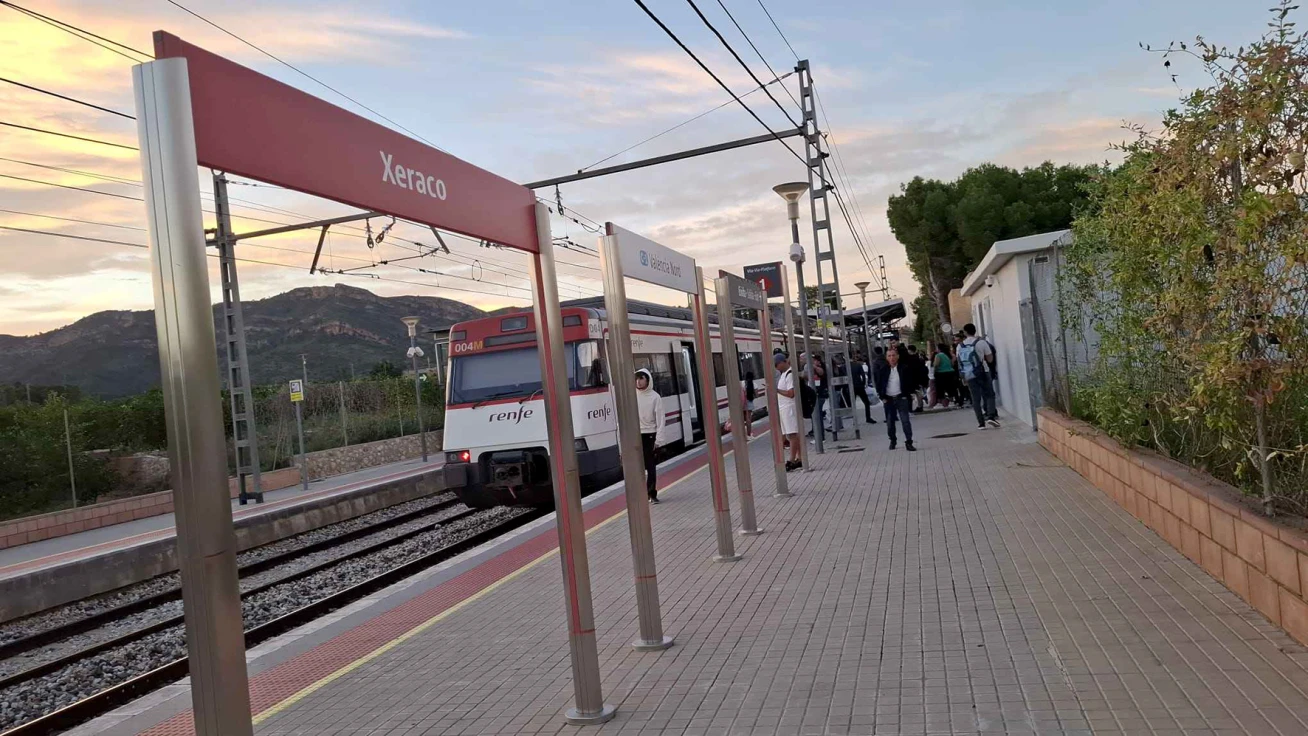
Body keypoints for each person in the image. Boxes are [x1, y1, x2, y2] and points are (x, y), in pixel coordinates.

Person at [874, 346, 922, 451]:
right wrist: (882, 397)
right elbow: (879, 384)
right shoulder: (883, 370)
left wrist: (908, 394)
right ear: (886, 358)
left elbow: (909, 381)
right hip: (888, 399)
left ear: (898, 356)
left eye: (893, 355)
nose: (892, 358)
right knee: (890, 422)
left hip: (901, 397)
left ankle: (909, 442)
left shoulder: (904, 368)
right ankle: (893, 440)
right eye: (889, 356)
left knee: (905, 421)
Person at [959, 323, 999, 429]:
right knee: (989, 394)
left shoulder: (960, 345)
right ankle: (991, 416)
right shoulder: (981, 342)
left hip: (969, 373)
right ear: (975, 331)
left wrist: (963, 377)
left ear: (965, 332)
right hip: (983, 371)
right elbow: (990, 359)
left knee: (975, 398)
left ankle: (981, 423)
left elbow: (960, 362)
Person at [635, 369, 662, 503]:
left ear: (648, 380)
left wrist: (659, 439)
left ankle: (651, 493)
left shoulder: (655, 397)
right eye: (637, 379)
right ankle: (641, 494)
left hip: (650, 435)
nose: (638, 382)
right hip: (635, 435)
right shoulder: (632, 396)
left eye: (641, 378)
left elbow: (660, 420)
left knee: (650, 466)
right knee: (637, 466)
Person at [774, 353, 802, 470]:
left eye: (776, 364)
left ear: (782, 362)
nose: (775, 367)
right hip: (784, 408)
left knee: (792, 434)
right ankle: (800, 458)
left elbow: (791, 393)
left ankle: (791, 459)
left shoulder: (790, 375)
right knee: (791, 434)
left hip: (789, 408)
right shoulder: (784, 375)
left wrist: (776, 390)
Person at [850, 351, 877, 424]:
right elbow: (863, 376)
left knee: (852, 404)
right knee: (866, 402)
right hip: (859, 386)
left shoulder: (844, 367)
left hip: (850, 387)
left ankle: (854, 421)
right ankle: (868, 418)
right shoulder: (858, 365)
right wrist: (863, 384)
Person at [931, 343, 957, 408]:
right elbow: (952, 363)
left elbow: (936, 365)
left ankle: (940, 403)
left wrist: (934, 371)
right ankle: (951, 401)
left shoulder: (938, 355)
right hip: (950, 372)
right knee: (950, 387)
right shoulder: (948, 355)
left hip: (941, 373)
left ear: (939, 349)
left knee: (940, 388)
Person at [742, 370, 756, 437]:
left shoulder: (742, 383)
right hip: (749, 402)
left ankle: (742, 434)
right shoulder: (754, 384)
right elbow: (757, 395)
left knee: (742, 419)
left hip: (742, 402)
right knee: (748, 419)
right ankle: (749, 434)